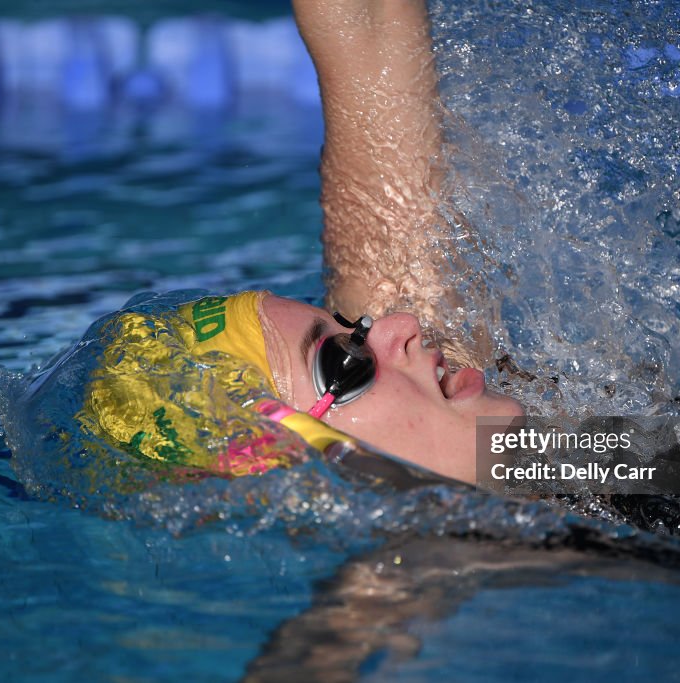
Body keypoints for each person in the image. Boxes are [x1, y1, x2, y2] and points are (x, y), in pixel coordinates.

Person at [79, 0, 523, 485]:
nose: (401, 323)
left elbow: (368, 28)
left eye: (355, 329)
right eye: (346, 367)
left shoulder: (571, 462)